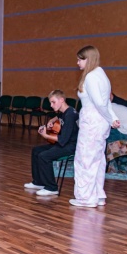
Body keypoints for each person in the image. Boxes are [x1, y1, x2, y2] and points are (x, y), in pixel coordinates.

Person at [72, 46, 120, 208]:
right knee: (98, 160)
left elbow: (100, 103)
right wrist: (112, 118)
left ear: (89, 59)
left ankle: (86, 198)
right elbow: (106, 101)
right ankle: (98, 195)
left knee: (85, 159)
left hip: (92, 122)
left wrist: (111, 118)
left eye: (80, 59)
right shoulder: (101, 74)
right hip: (99, 122)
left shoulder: (91, 77)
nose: (77, 62)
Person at [24, 90, 79, 196]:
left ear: (61, 100)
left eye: (53, 102)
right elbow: (59, 117)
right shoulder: (65, 111)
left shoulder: (70, 115)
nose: (51, 105)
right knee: (36, 151)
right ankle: (38, 182)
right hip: (65, 144)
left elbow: (63, 139)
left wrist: (46, 136)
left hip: (71, 146)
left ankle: (52, 187)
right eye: (50, 102)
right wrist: (51, 121)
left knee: (44, 156)